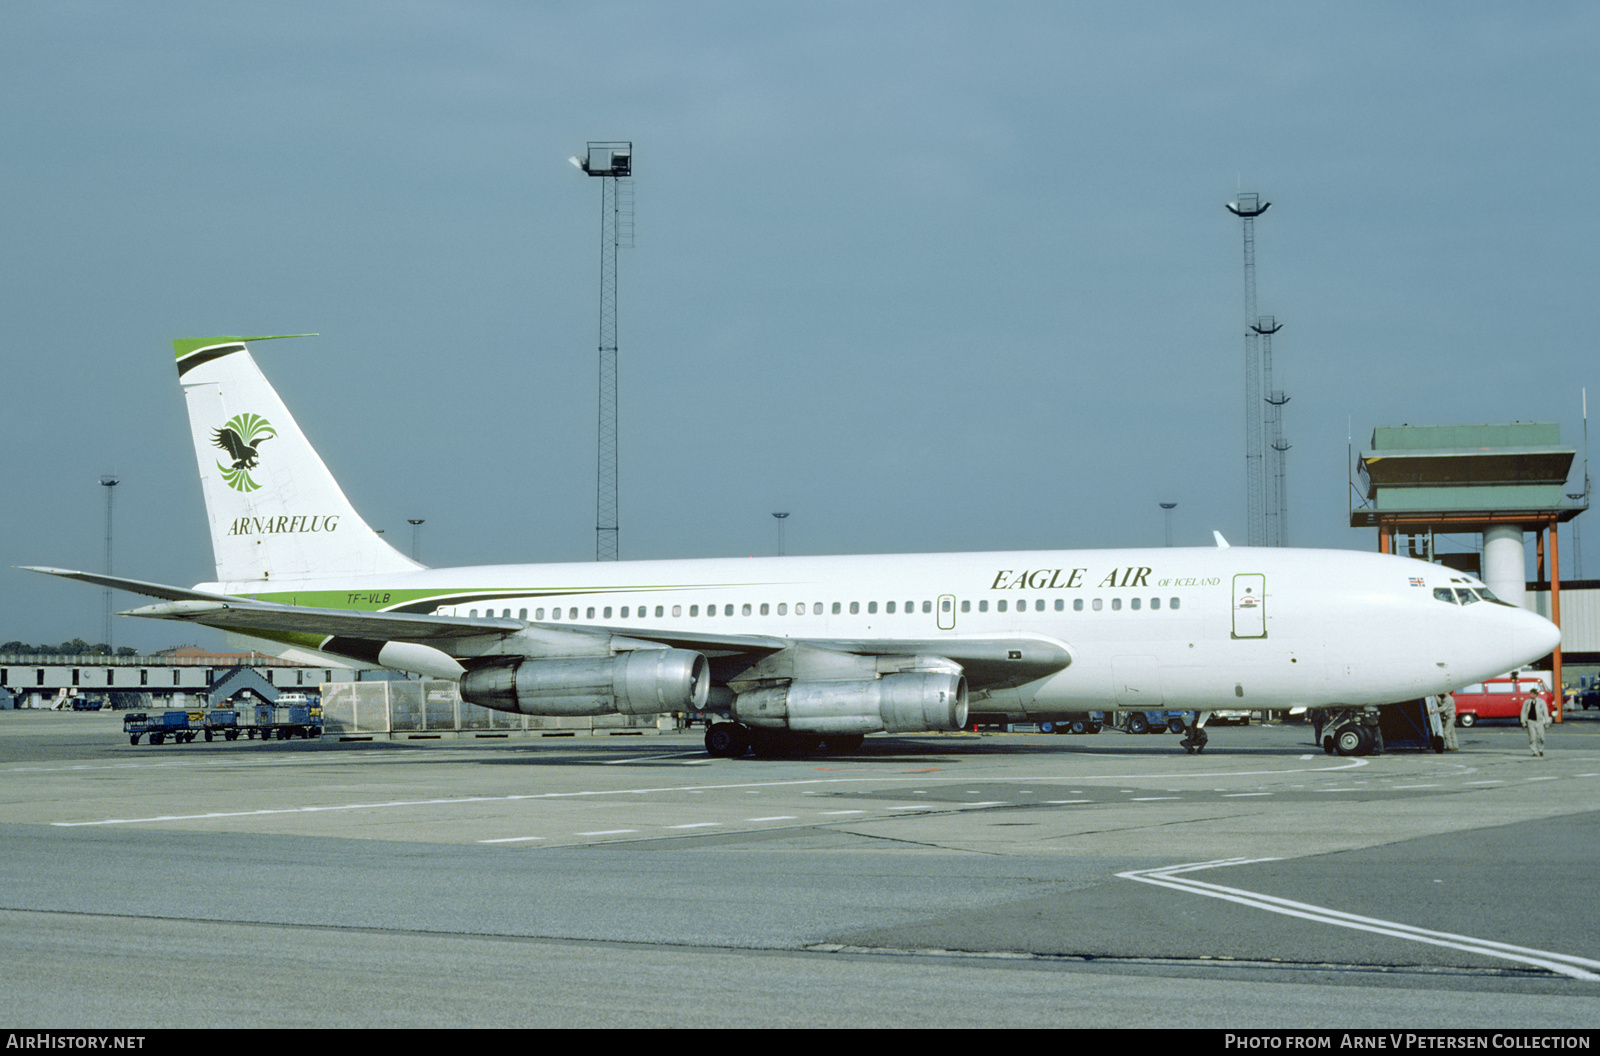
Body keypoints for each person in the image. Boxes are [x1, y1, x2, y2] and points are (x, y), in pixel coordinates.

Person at [1520, 687, 1550, 758]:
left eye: (1532, 694)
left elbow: (1545, 712)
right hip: (1530, 721)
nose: (1531, 695)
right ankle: (1534, 751)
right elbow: (1523, 712)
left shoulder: (1541, 702)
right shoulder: (1527, 702)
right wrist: (1523, 721)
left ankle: (1540, 749)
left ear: (1536, 694)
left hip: (1539, 722)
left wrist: (1547, 722)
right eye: (1530, 694)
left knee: (1541, 737)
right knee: (1532, 738)